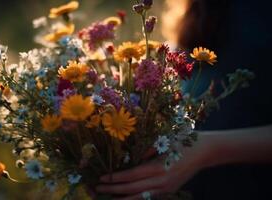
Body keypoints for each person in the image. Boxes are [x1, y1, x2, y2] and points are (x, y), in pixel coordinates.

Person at [96, 0, 272, 199]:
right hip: (176, 184)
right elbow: (186, 66)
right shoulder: (203, 7)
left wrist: (207, 151)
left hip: (248, 185)